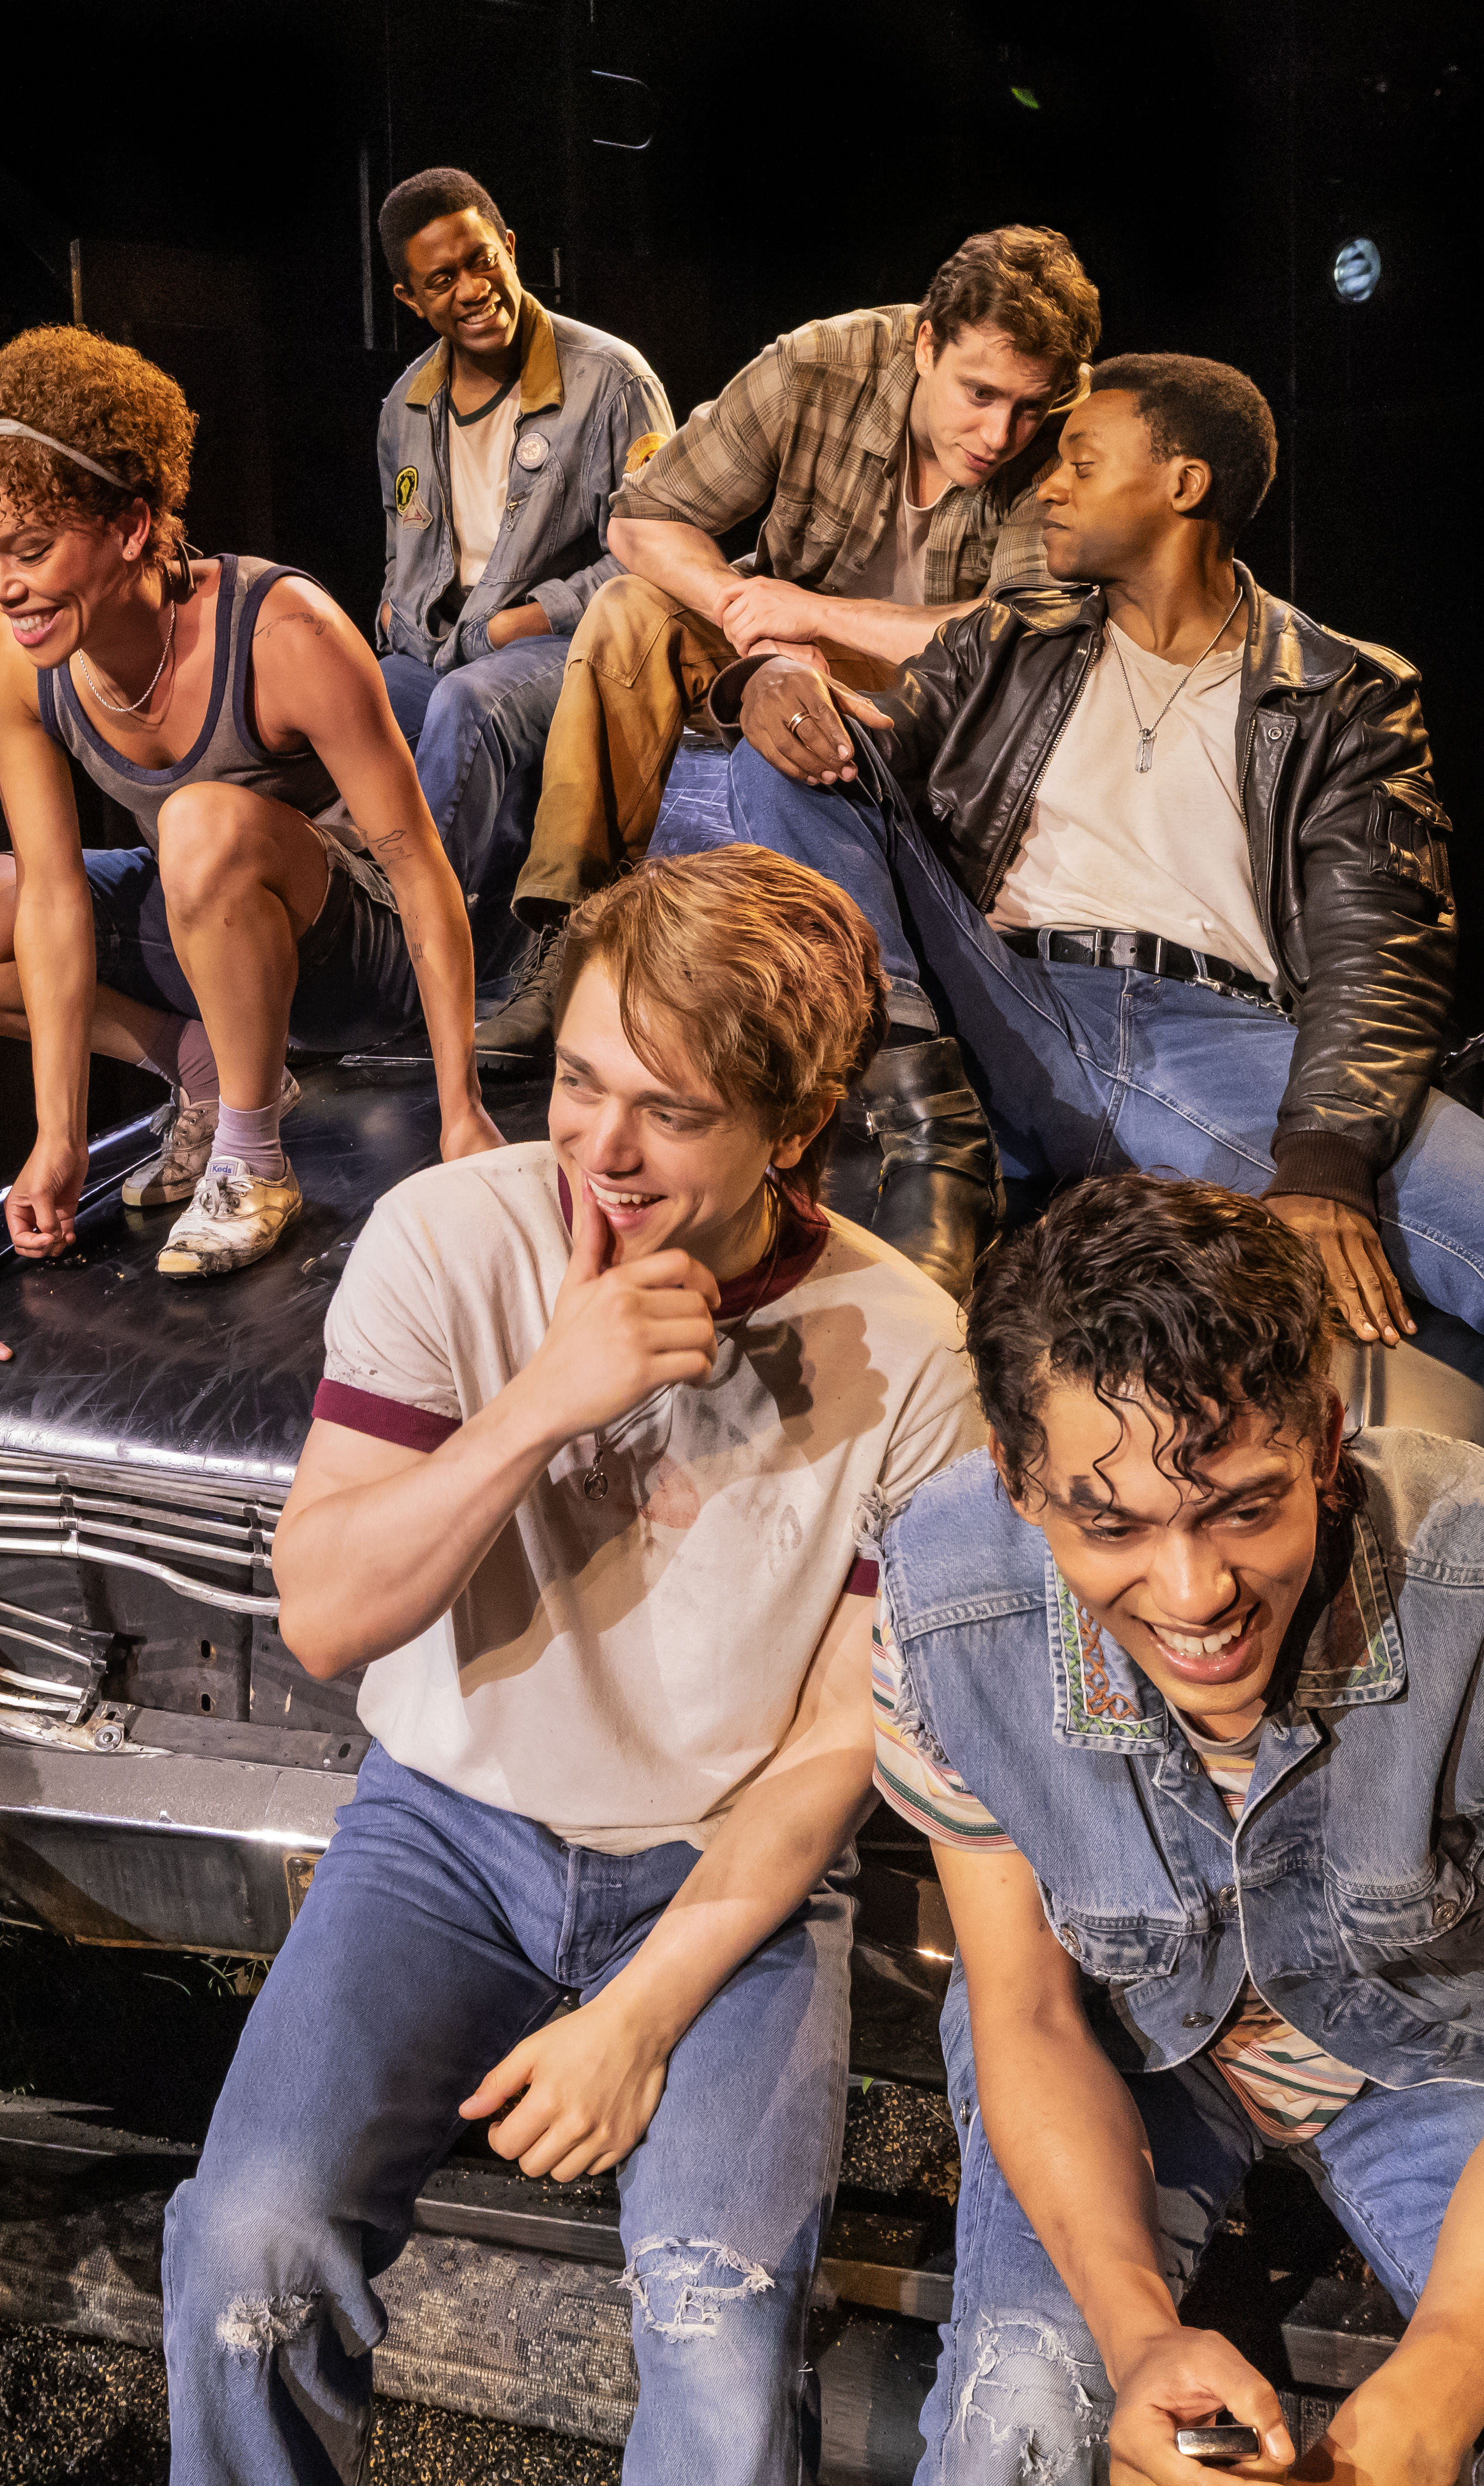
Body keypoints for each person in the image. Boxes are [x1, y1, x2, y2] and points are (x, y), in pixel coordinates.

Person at [159, 846, 984, 2485]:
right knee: (249, 2252)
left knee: (721, 2337)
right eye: (583, 1081)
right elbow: (324, 1613)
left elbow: (840, 1742)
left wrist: (642, 2015)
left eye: (671, 1111)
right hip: (444, 1832)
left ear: (793, 1127)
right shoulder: (443, 1237)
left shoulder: (906, 1349)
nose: (602, 1145)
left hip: (724, 1867)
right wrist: (544, 1399)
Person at [694, 353, 1484, 1552]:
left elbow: (1379, 944)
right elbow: (856, 767)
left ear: (1184, 483)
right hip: (991, 996)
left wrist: (1323, 1158)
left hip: (1214, 1040)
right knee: (784, 757)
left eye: (1080, 461)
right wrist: (765, 680)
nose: (1046, 485)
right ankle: (918, 1111)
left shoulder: (1345, 692)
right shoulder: (1007, 638)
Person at [869, 1173, 1484, 2484]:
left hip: (1448, 2058)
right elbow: (1027, 2015)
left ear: (1328, 1440)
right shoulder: (944, 1605)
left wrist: (1430, 2400)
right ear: (1017, 1480)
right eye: (1112, 1525)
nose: (1194, 1594)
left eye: (1242, 1506)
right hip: (1127, 2046)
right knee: (1016, 2430)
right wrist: (1138, 2337)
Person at [0, 326, 502, 1279]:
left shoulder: (284, 631)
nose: (0, 587)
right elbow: (51, 898)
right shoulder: (7, 661)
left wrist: (461, 1109)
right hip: (203, 924)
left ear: (131, 527)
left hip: (354, 958)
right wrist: (57, 1134)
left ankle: (252, 1161)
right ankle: (205, 1069)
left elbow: (419, 868)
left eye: (29, 551)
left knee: (199, 821)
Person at [478, 223, 1099, 1056]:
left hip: (944, 702)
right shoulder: (818, 366)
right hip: (785, 652)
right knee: (626, 610)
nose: (999, 434)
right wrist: (755, 624)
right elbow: (641, 518)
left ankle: (898, 989)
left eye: (1027, 407)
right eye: (979, 394)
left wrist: (810, 615)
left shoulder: (1067, 427)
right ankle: (572, 944)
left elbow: (1025, 638)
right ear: (925, 344)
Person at [366, 166, 675, 983]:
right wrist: (395, 610)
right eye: (442, 280)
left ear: (508, 248)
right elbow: (403, 545)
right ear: (410, 299)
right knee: (345, 700)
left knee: (470, 704)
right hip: (438, 648)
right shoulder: (405, 406)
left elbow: (660, 555)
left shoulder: (611, 378)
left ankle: (413, 962)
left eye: (481, 261)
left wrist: (526, 619)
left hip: (566, 644)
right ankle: (330, 942)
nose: (472, 290)